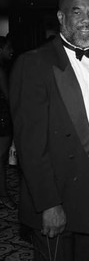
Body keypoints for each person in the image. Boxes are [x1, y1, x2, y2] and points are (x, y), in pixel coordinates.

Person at [9, 0, 89, 261]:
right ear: (60, 17)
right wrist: (48, 204)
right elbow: (30, 145)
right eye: (77, 11)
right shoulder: (34, 63)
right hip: (58, 193)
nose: (87, 20)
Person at [0, 35, 15, 210]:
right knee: (1, 159)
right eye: (8, 48)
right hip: (2, 118)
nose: (11, 51)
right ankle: (3, 195)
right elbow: (9, 97)